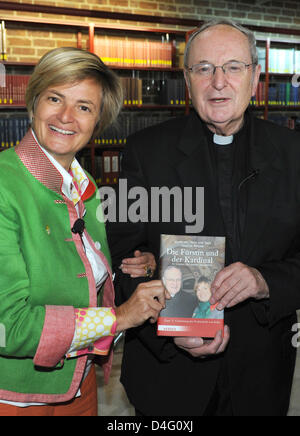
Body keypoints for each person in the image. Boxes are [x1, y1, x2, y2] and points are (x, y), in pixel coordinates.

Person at [108, 19, 300, 416]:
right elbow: (123, 256)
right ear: (187, 78)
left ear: (255, 76)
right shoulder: (146, 150)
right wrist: (167, 330)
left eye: (233, 67)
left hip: (262, 371)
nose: (218, 82)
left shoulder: (293, 153)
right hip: (168, 372)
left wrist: (266, 281)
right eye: (204, 68)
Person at [0, 47, 168, 417]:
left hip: (79, 380)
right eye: (55, 98)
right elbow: (8, 325)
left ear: (98, 121)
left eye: (84, 107)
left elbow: (81, 271)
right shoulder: (3, 183)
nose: (65, 116)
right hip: (15, 396)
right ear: (33, 103)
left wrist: (139, 265)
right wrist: (121, 317)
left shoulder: (85, 185)